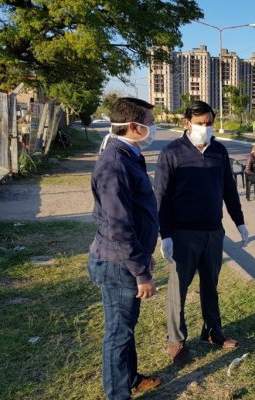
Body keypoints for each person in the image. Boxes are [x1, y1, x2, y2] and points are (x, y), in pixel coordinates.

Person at [154, 100, 250, 368]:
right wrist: (166, 234)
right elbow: (160, 196)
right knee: (178, 289)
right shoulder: (172, 152)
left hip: (213, 232)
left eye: (208, 123)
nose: (204, 128)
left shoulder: (219, 151)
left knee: (211, 284)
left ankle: (212, 331)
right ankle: (176, 341)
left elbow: (229, 190)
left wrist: (239, 222)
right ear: (187, 123)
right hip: (183, 233)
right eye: (199, 124)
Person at [87, 97, 161, 399]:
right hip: (118, 263)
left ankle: (130, 378)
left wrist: (144, 257)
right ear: (134, 126)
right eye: (151, 123)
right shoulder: (115, 163)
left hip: (127, 259)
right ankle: (119, 394)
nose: (154, 129)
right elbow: (119, 227)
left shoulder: (126, 154)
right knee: (118, 334)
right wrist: (141, 272)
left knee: (126, 327)